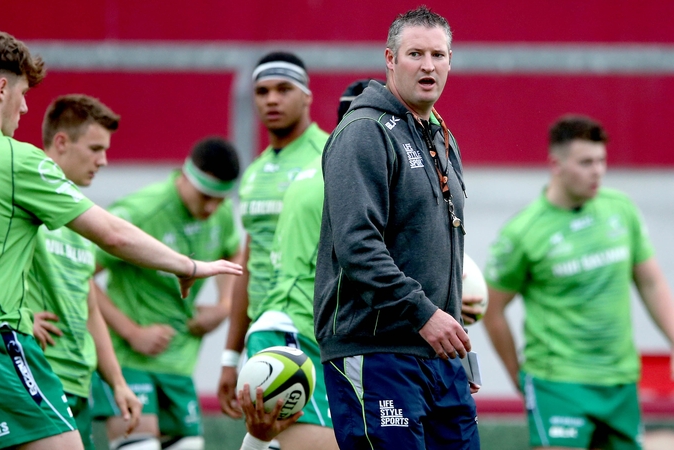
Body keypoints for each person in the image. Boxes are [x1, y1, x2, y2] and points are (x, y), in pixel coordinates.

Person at [0, 26, 241, 450]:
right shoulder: (15, 159)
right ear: (1, 88)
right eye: (22, 93)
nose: (24, 106)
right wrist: (188, 265)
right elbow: (111, 234)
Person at [314, 6, 480, 449]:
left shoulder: (442, 135)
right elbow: (358, 246)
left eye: (439, 55)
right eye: (415, 54)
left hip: (438, 356)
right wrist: (425, 315)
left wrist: (460, 348)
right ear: (390, 59)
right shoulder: (364, 131)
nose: (429, 66)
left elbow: (445, 249)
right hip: (376, 350)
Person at [483, 115, 674, 450]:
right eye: (586, 162)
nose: (597, 171)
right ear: (556, 164)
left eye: (601, 161)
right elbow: (492, 309)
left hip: (619, 379)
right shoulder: (523, 232)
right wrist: (518, 376)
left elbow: (651, 283)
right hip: (557, 383)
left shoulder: (621, 209)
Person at [90, 137, 242, 450]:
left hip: (180, 362)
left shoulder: (220, 213)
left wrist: (224, 305)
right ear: (185, 177)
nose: (212, 207)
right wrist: (131, 332)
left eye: (221, 198)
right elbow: (80, 275)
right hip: (128, 359)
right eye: (206, 196)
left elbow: (235, 253)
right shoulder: (141, 212)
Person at [217, 51, 330, 450]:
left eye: (284, 89)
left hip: (319, 329)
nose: (271, 100)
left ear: (307, 96)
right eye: (262, 91)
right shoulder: (253, 174)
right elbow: (247, 262)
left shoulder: (329, 155)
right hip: (270, 331)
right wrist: (230, 356)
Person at [27, 94, 140, 450]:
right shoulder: (19, 198)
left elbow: (90, 308)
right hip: (34, 378)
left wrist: (118, 383)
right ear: (61, 142)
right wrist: (15, 317)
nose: (103, 161)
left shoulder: (81, 219)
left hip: (80, 384)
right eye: (94, 148)